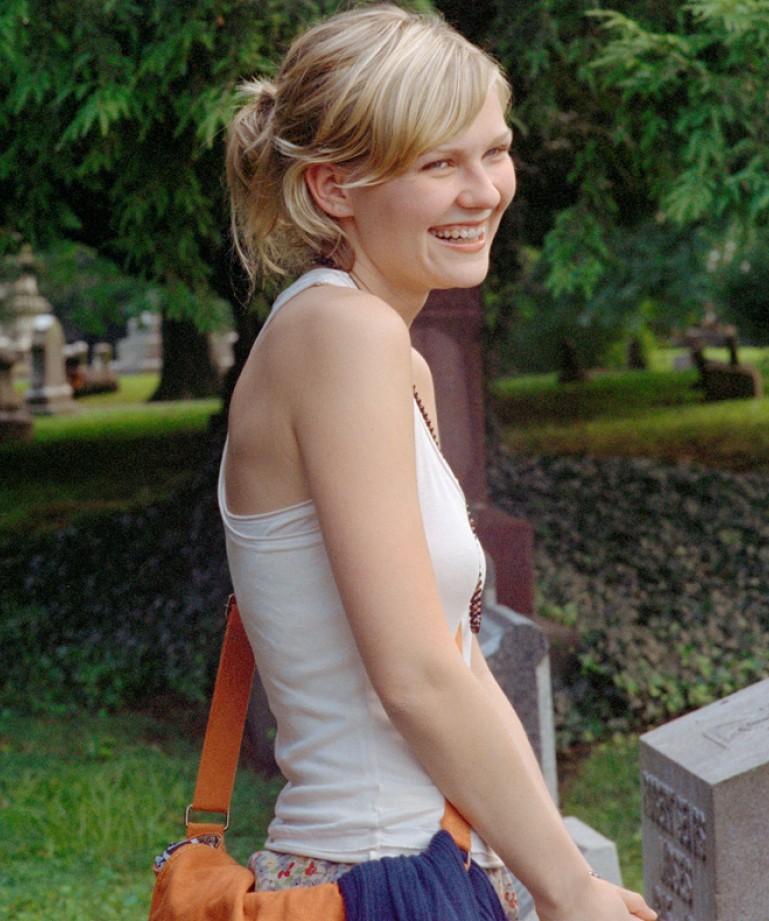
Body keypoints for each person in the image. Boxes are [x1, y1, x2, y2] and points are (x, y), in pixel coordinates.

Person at [219, 5, 656, 920]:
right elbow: (414, 676)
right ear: (334, 187)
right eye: (438, 164)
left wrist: (554, 870)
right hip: (380, 875)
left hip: (439, 861)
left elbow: (458, 660)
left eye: (495, 152)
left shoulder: (386, 352)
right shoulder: (342, 334)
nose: (484, 191)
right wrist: (567, 888)